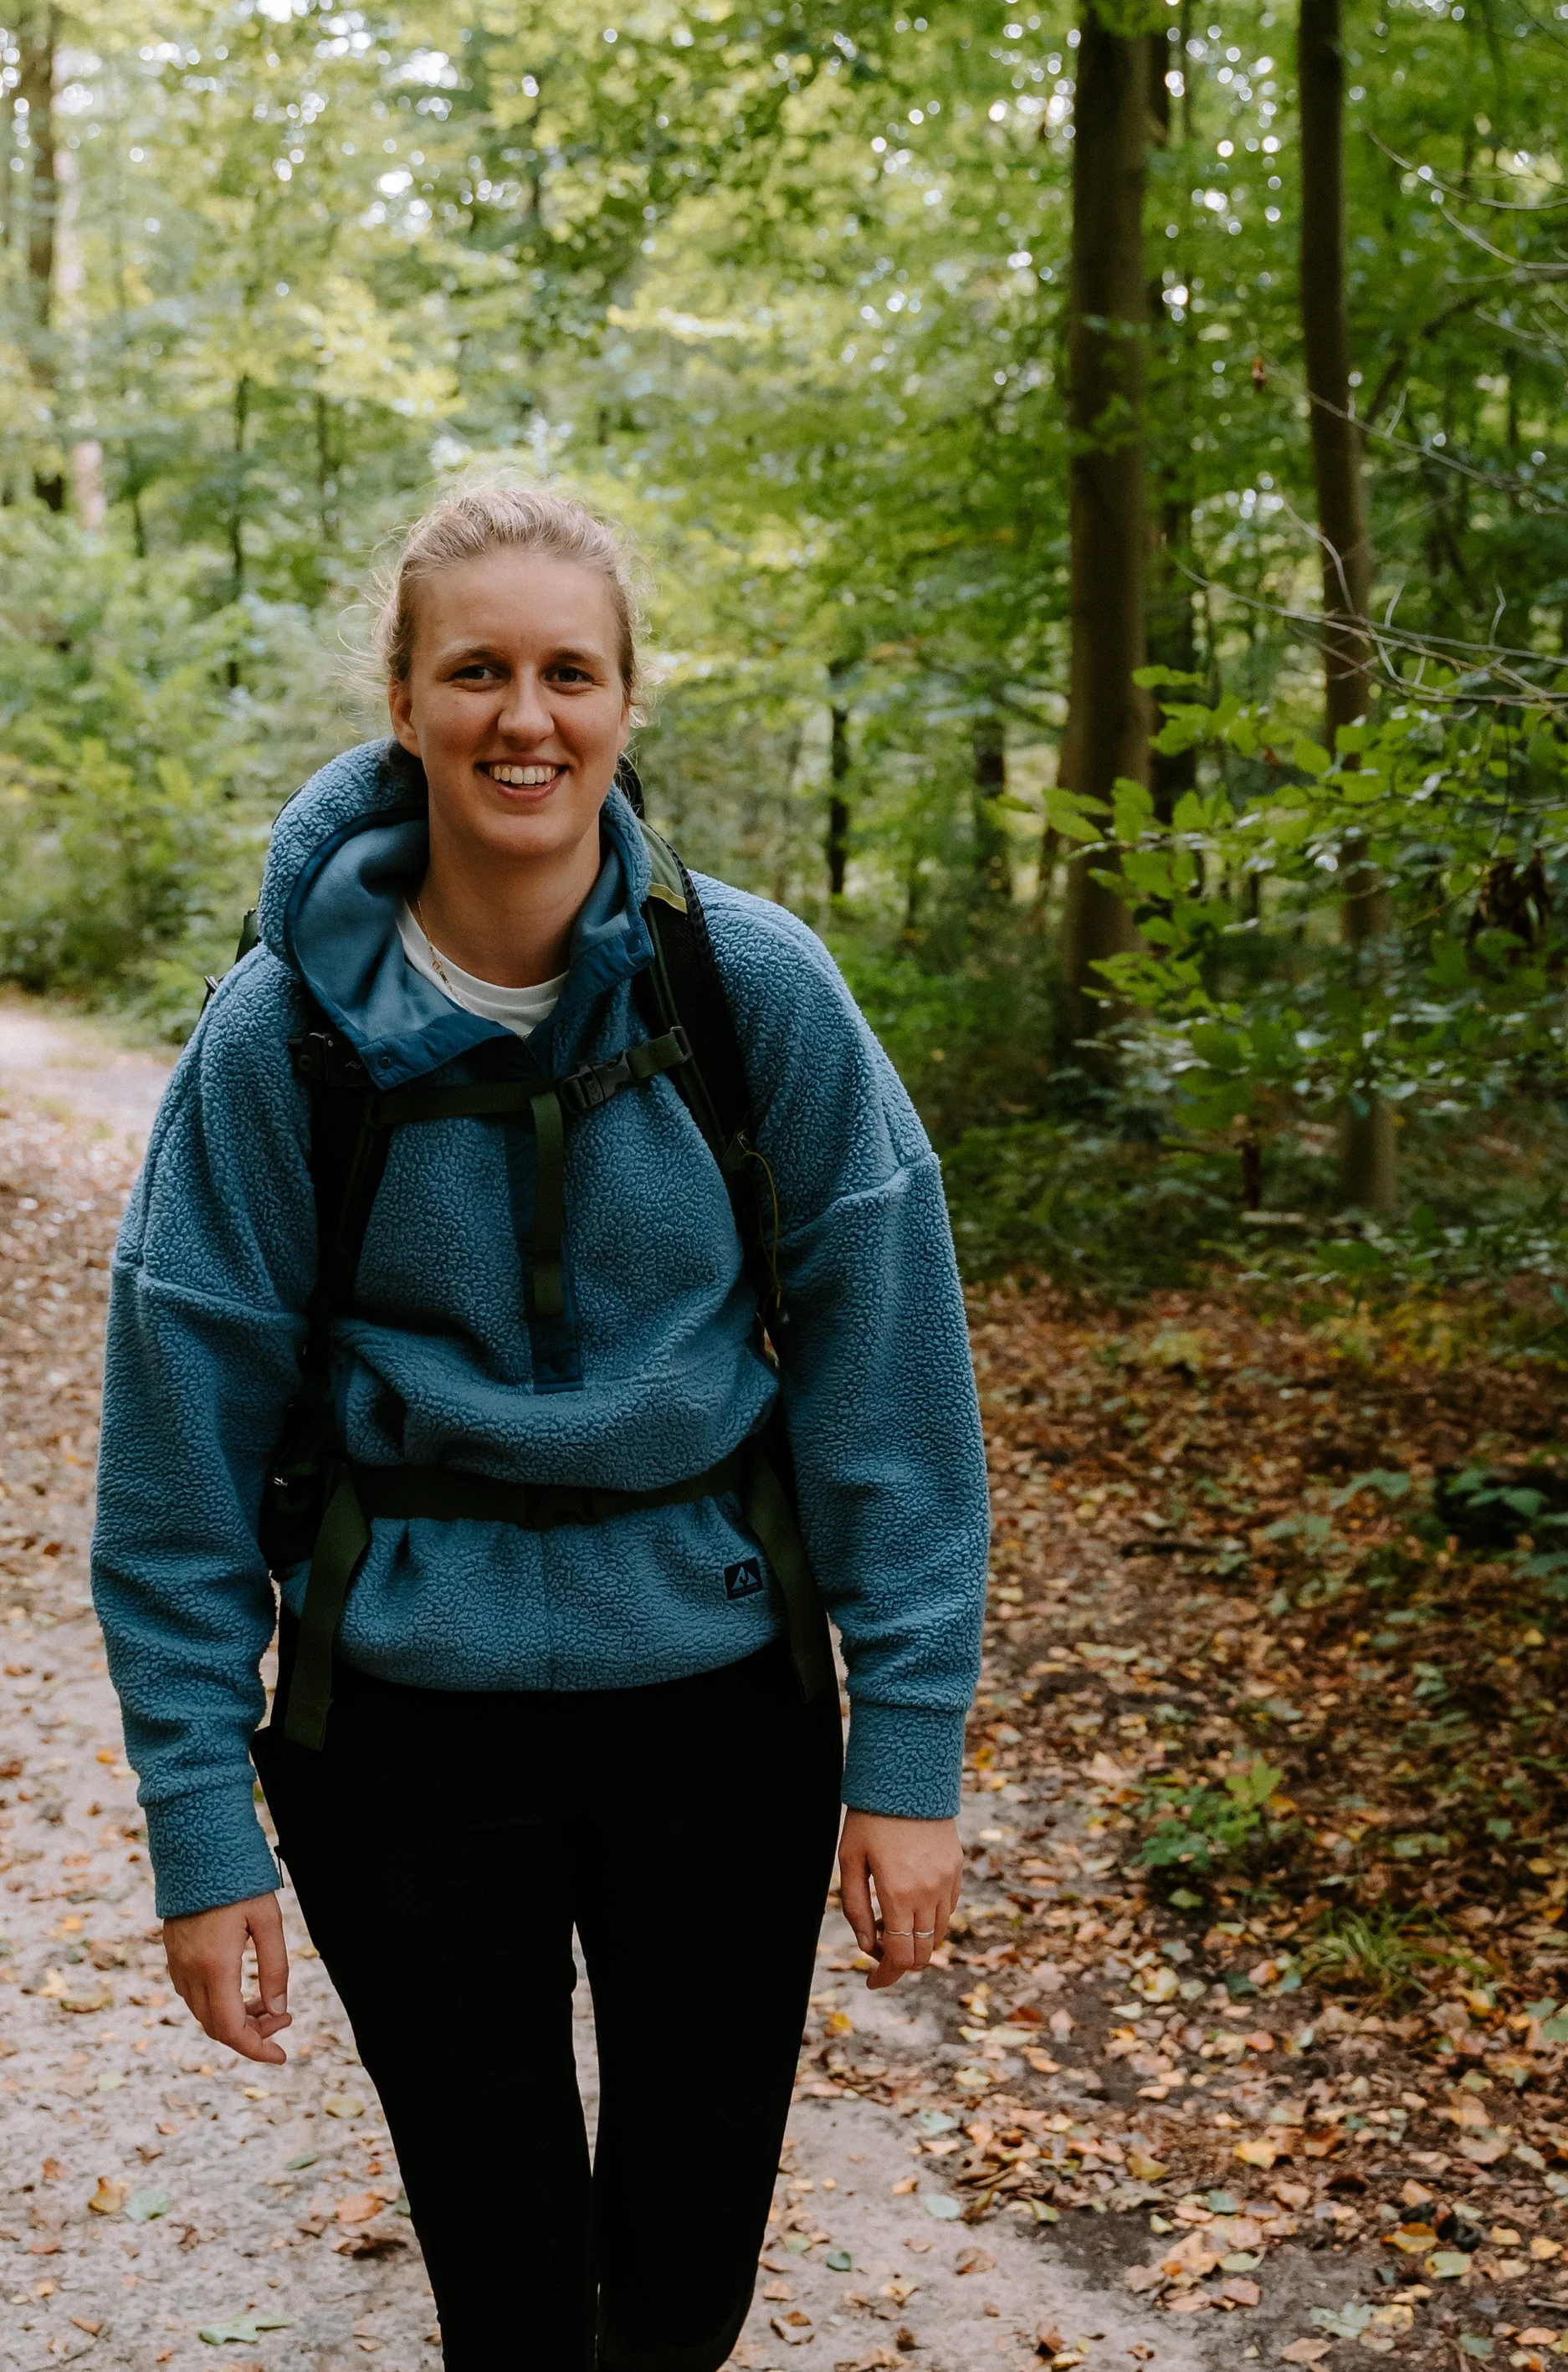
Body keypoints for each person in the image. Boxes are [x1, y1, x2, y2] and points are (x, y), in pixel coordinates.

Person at [90, 483, 989, 2372]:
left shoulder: (751, 993)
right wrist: (198, 1822)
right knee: (505, 2277)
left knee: (683, 2276)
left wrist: (907, 1752)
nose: (527, 715)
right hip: (400, 1724)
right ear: (403, 701)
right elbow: (177, 1453)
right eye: (477, 668)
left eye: (568, 671)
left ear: (626, 704)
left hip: (723, 1703)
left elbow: (890, 1378)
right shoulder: (278, 1040)